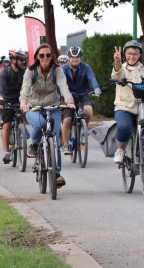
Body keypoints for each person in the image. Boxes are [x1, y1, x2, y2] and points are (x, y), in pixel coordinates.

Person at [19, 44, 75, 188]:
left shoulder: (57, 70)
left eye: (48, 55)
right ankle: (34, 143)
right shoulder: (31, 71)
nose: (45, 58)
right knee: (40, 124)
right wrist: (24, 102)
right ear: (37, 57)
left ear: (52, 57)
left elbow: (63, 86)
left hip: (53, 106)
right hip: (34, 107)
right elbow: (25, 88)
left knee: (55, 138)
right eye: (42, 55)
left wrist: (69, 101)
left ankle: (56, 174)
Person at [60, 47, 101, 155]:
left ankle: (82, 128)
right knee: (67, 120)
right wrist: (61, 92)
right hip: (68, 96)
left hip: (83, 95)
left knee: (88, 110)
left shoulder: (86, 67)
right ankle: (65, 145)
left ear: (80, 58)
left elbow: (92, 78)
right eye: (72, 57)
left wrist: (96, 88)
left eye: (77, 57)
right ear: (69, 58)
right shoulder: (63, 69)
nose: (75, 59)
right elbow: (61, 82)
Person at [0, 49, 28, 163]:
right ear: (13, 60)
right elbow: (1, 86)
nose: (23, 62)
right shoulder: (5, 72)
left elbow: (29, 85)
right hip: (7, 101)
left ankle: (23, 127)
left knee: (26, 111)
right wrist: (1, 99)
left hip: (20, 99)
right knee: (6, 126)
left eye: (23, 59)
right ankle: (7, 153)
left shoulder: (25, 71)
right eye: (21, 59)